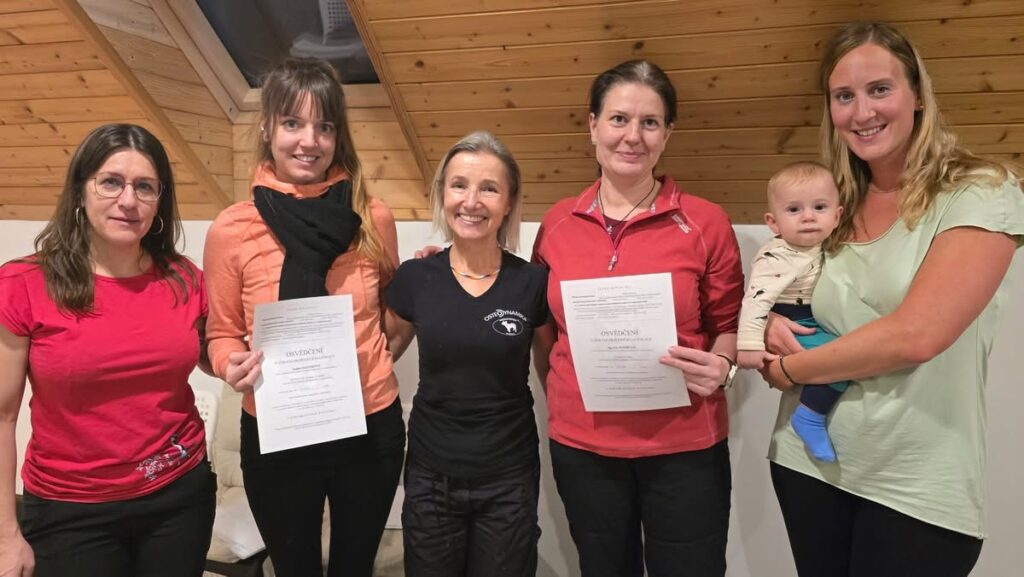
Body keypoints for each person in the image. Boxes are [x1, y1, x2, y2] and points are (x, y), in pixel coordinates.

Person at [761, 22, 1024, 577]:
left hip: (915, 483)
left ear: (918, 95)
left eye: (879, 89)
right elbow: (782, 288)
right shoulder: (827, 203)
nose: (862, 112)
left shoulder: (981, 190)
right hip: (808, 466)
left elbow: (916, 336)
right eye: (844, 96)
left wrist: (788, 368)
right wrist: (766, 327)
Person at [531, 60, 744, 577]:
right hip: (584, 447)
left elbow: (730, 325)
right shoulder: (557, 223)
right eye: (619, 119)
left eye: (650, 122)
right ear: (593, 126)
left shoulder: (706, 222)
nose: (633, 136)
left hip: (685, 446)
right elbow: (543, 329)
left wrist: (723, 367)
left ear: (667, 134)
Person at [203, 57, 405, 577]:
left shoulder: (371, 217)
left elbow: (391, 318)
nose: (309, 141)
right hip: (277, 428)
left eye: (324, 126)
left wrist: (372, 360)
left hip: (370, 425)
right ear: (267, 128)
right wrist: (229, 364)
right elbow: (221, 332)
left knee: (354, 567)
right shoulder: (232, 228)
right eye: (293, 123)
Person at [0, 123, 216, 577]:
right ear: (81, 191)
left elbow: (212, 354)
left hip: (179, 494)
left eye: (145, 187)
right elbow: (2, 417)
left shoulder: (184, 278)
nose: (128, 200)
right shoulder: (23, 284)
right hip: (70, 510)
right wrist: (5, 535)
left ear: (160, 200)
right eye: (111, 182)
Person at [384, 131, 548, 577]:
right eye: (459, 185)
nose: (471, 201)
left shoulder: (532, 283)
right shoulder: (416, 277)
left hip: (509, 477)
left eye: (489, 188)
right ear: (443, 193)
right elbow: (379, 356)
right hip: (431, 475)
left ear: (509, 202)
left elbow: (554, 373)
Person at [736, 161, 847, 462]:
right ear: (773, 223)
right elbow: (756, 300)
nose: (808, 216)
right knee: (840, 359)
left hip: (814, 317)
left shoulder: (826, 245)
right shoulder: (777, 256)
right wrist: (749, 345)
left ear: (837, 216)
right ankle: (809, 416)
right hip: (797, 319)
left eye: (820, 207)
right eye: (794, 210)